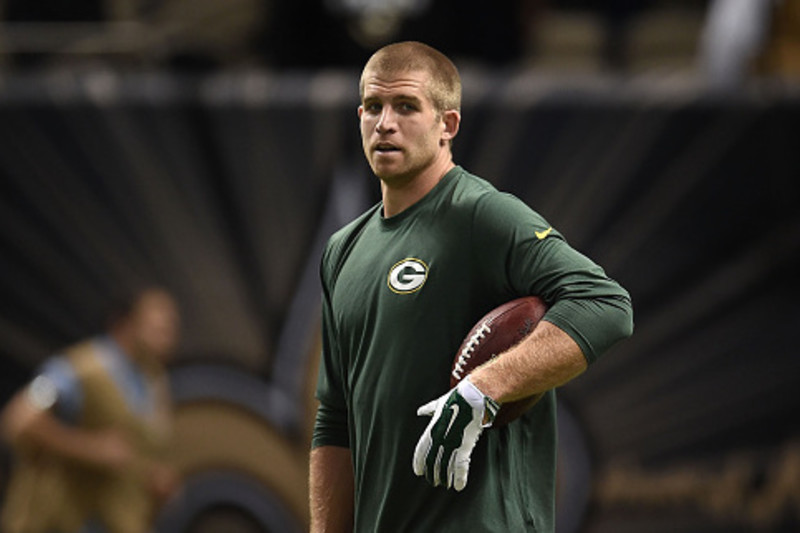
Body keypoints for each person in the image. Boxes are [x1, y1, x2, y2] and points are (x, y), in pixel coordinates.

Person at [309, 41, 634, 532]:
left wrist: (486, 386)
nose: (385, 123)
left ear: (448, 125)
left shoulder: (481, 214)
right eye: (373, 107)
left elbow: (606, 304)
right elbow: (334, 420)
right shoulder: (343, 249)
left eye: (406, 106)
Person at [1, 287, 181, 533]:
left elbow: (131, 452)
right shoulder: (76, 370)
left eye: (170, 330)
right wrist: (91, 448)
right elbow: (21, 417)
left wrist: (151, 475)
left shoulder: (153, 381)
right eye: (158, 329)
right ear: (125, 325)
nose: (167, 339)